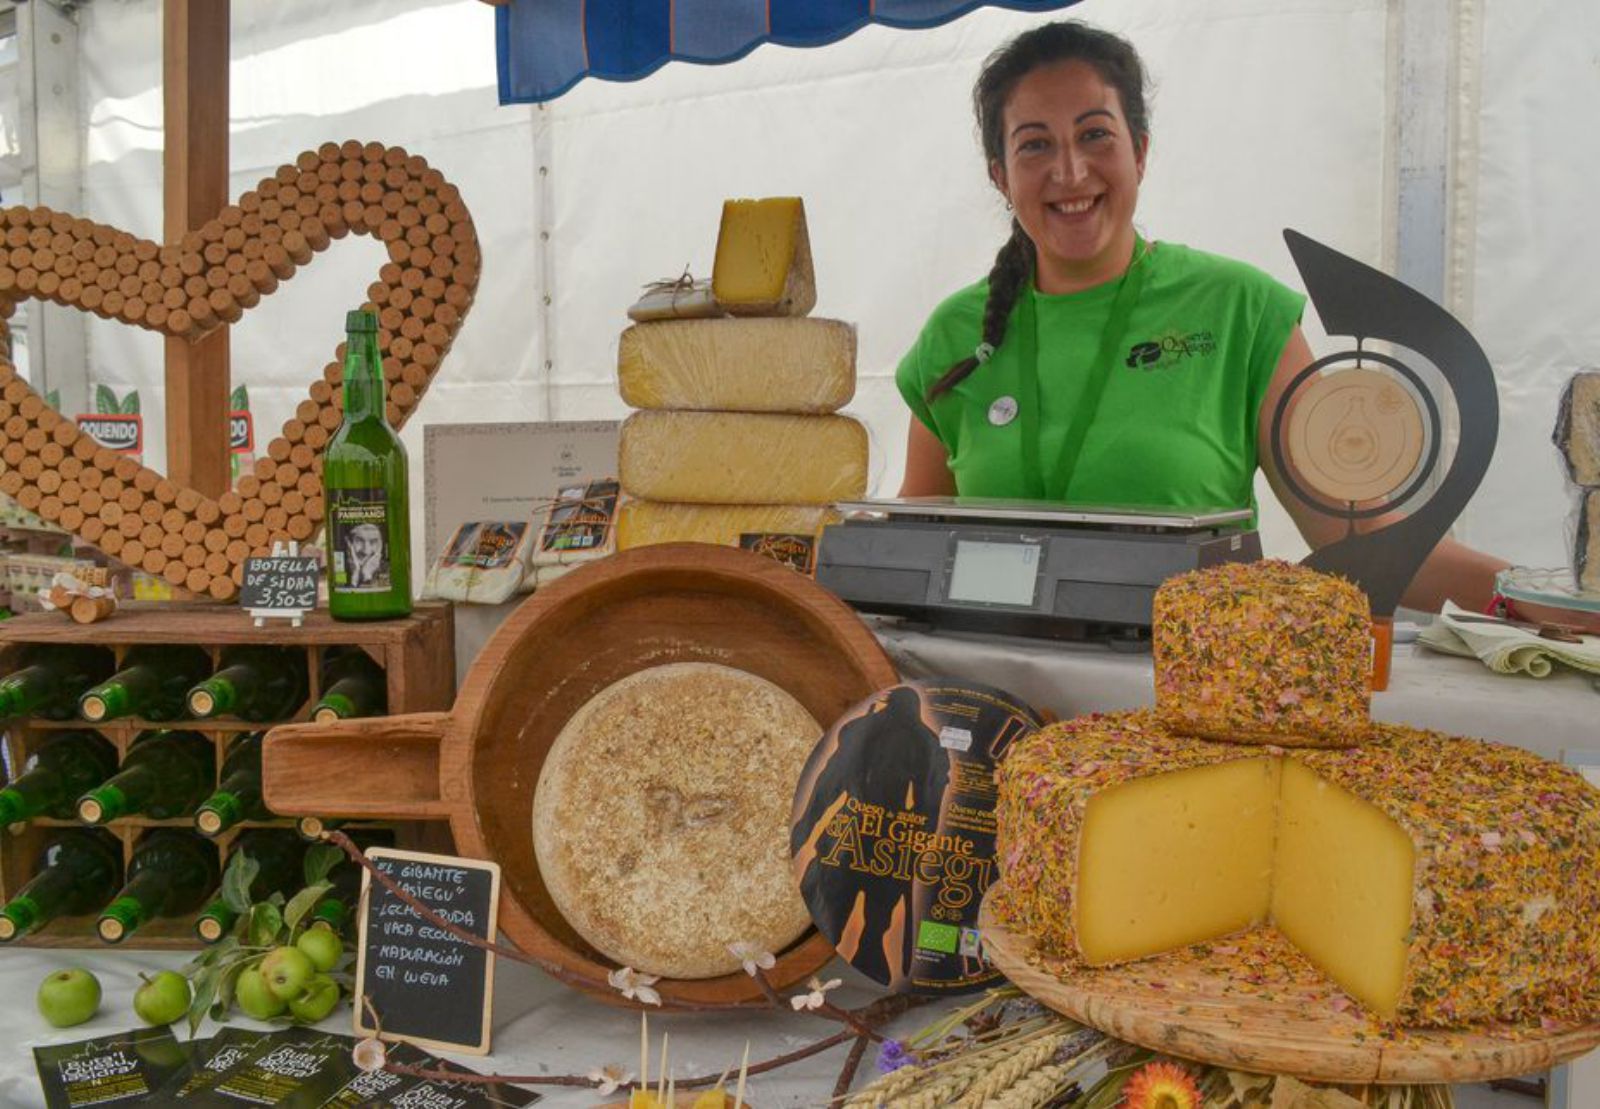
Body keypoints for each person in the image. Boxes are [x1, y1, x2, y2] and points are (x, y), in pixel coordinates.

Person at [896, 20, 1507, 613]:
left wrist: (1526, 595)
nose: (1071, 172)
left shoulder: (1239, 310)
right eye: (1035, 145)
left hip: (1188, 701)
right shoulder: (955, 332)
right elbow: (906, 553)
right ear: (1000, 175)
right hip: (987, 695)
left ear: (1139, 151)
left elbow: (1355, 534)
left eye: (1094, 135)